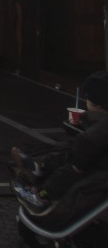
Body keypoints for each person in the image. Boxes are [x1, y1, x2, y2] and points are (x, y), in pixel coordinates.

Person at [11, 71, 108, 216]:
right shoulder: (99, 121)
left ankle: (42, 195)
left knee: (70, 170)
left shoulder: (102, 124)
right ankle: (41, 166)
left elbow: (89, 142)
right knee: (67, 149)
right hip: (96, 156)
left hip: (95, 162)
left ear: (96, 104)